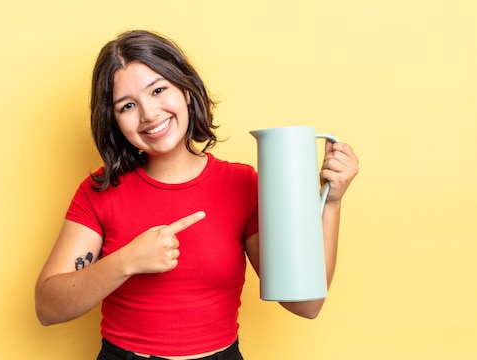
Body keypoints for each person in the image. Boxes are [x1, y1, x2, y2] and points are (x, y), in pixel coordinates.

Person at [35, 30, 359, 360]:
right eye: (128, 106)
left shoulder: (242, 183)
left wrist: (331, 202)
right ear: (114, 121)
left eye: (159, 90)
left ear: (187, 92)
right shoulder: (99, 190)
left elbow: (306, 304)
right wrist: (127, 261)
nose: (148, 114)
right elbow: (47, 307)